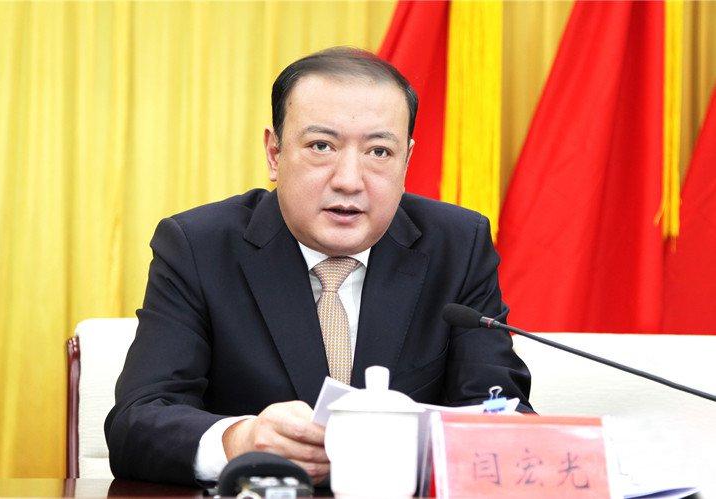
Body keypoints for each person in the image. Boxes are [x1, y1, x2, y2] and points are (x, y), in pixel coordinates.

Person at [105, 47, 532, 486]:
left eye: (379, 151)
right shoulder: (199, 246)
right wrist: (239, 440)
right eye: (321, 146)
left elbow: (500, 410)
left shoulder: (457, 246)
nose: (349, 180)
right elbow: (138, 422)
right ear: (274, 153)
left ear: (406, 161)